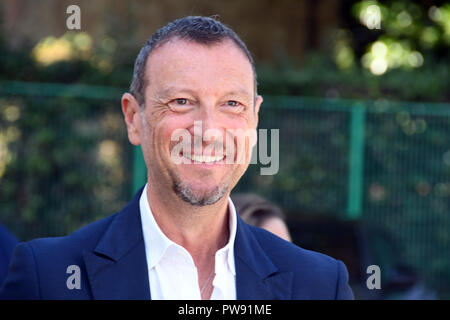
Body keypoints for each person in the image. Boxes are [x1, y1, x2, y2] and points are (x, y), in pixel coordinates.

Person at [0, 16, 353, 300]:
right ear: (133, 118)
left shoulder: (320, 285)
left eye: (232, 104)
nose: (208, 130)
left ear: (255, 119)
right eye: (181, 102)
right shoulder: (47, 278)